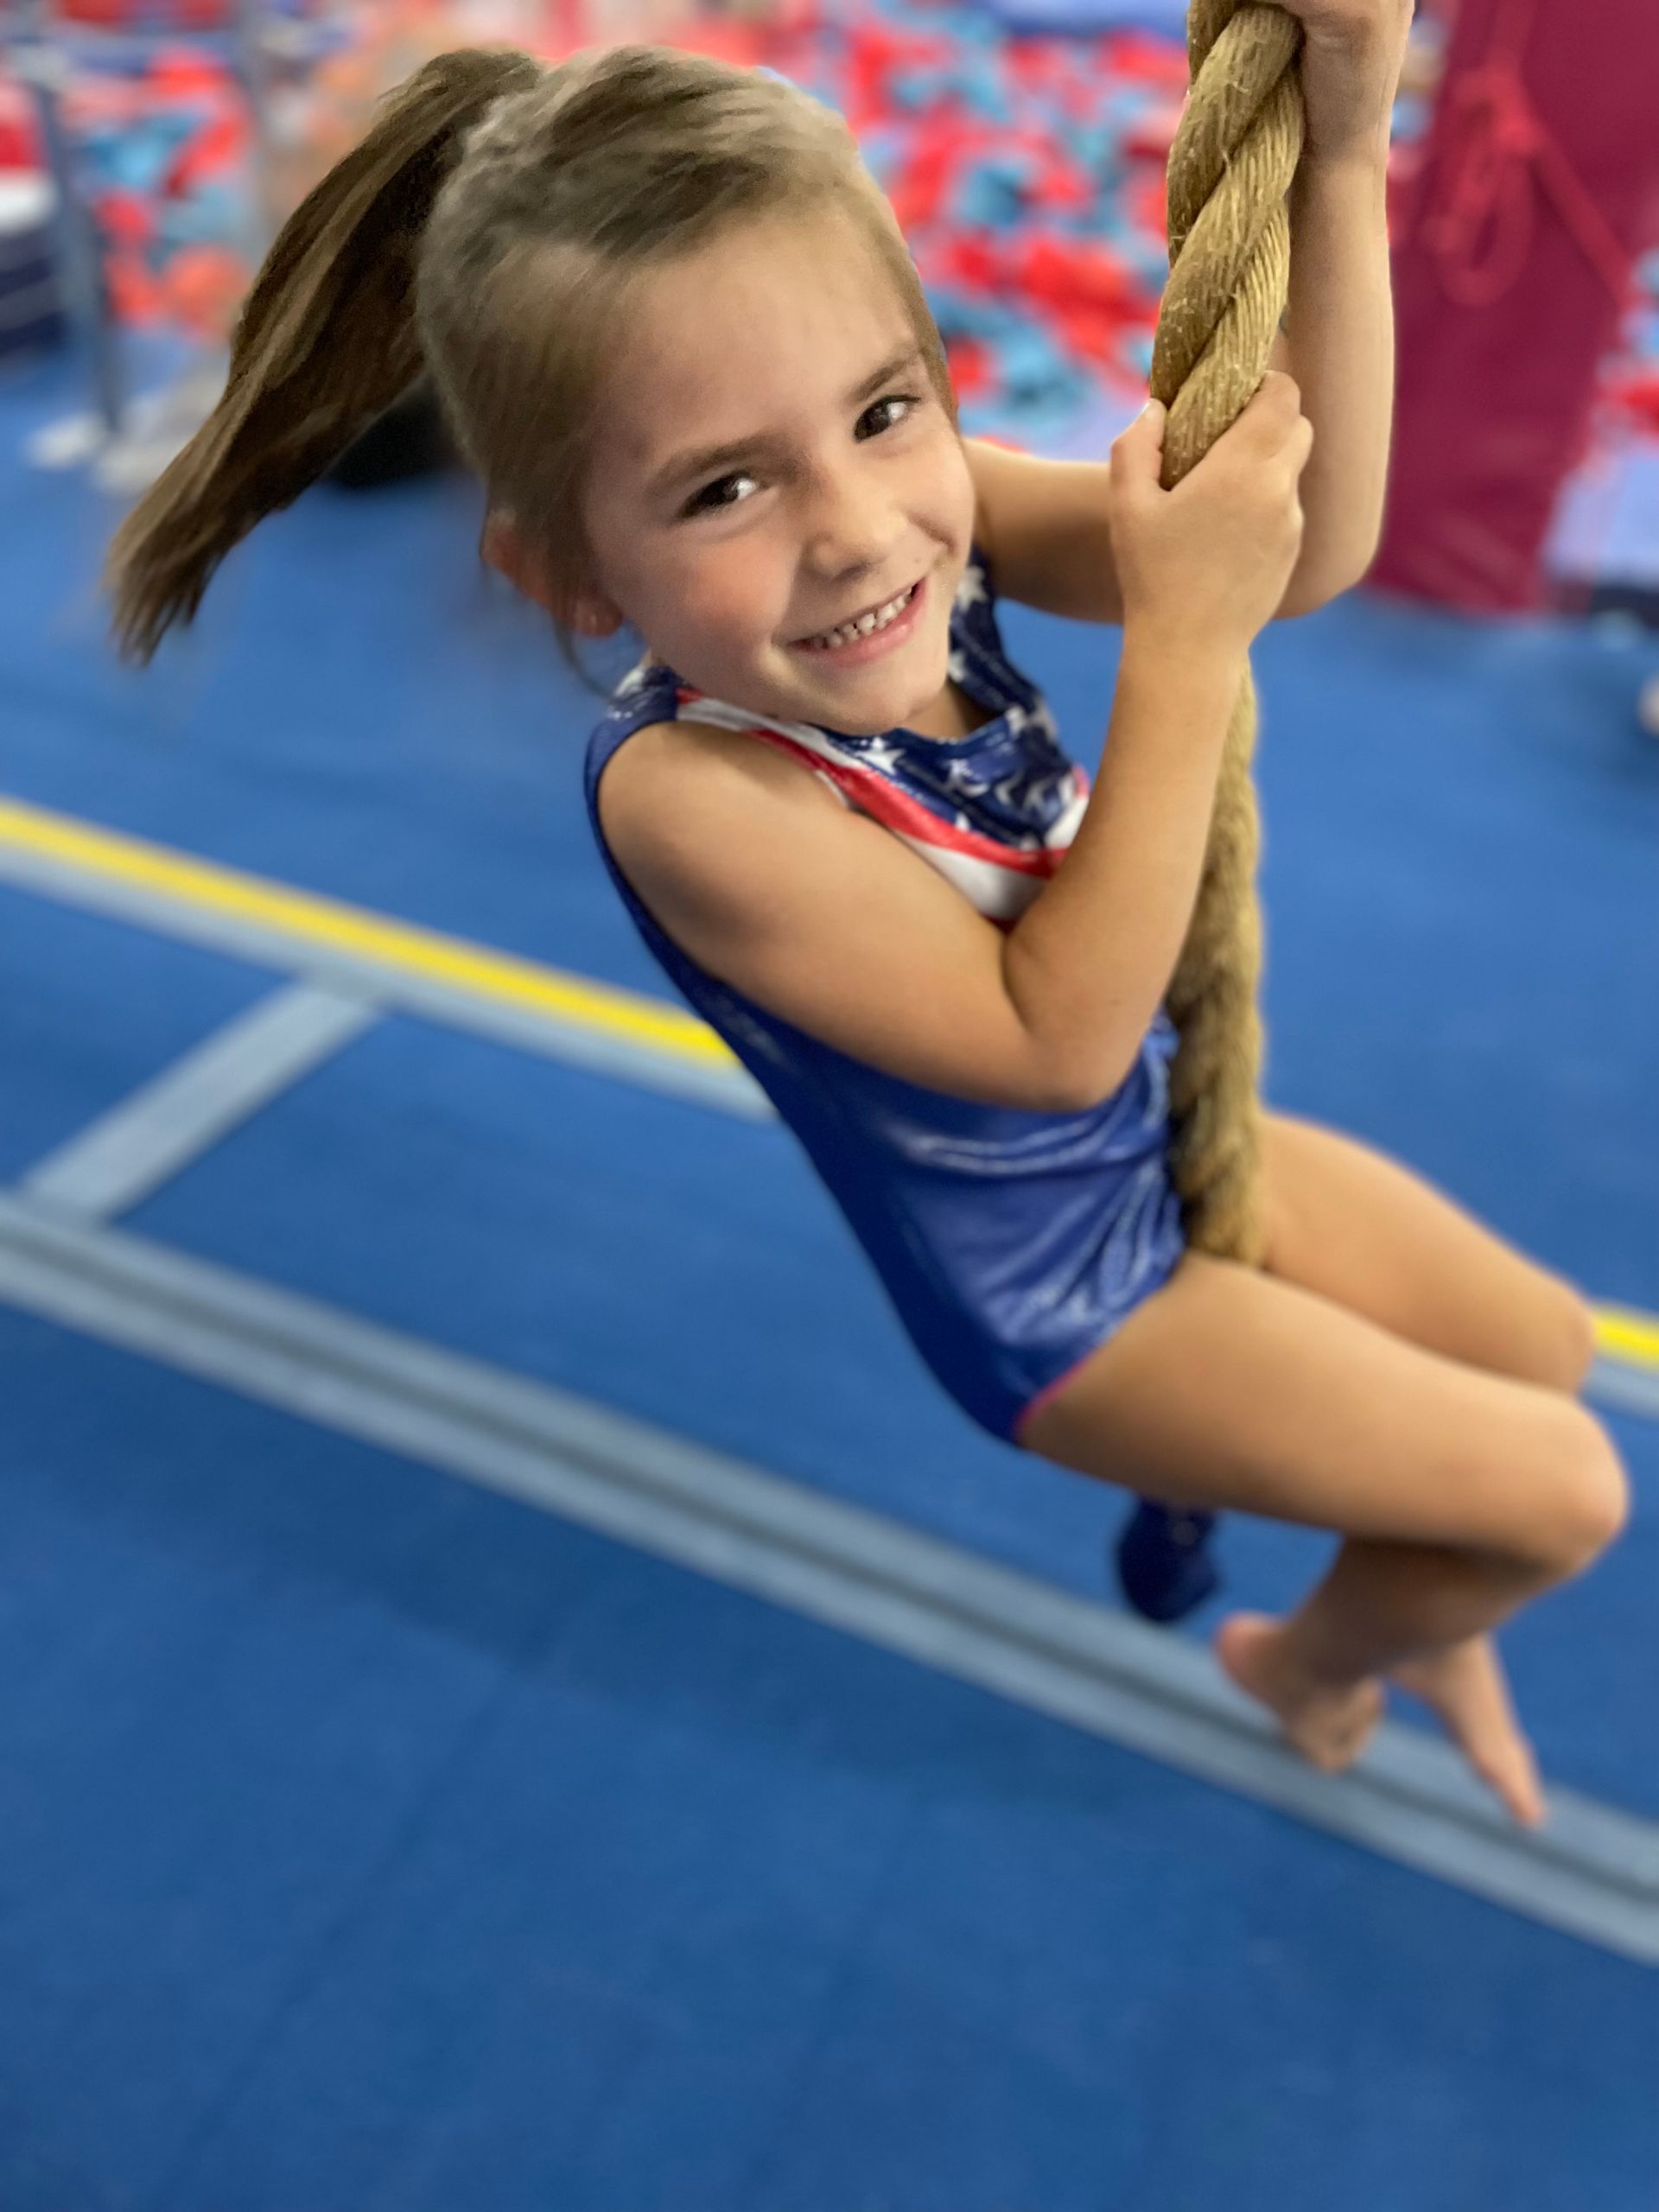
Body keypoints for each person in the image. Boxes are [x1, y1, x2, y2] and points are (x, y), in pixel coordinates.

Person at [105, 16, 1628, 1828]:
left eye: (885, 411)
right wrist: (1187, 642)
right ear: (562, 567)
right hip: (1077, 1304)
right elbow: (1054, 1041)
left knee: (1536, 1346)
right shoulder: (697, 794)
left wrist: (1351, 151)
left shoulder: (933, 525)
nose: (856, 533)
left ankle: (1411, 1583)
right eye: (723, 485)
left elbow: (1308, 553)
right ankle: (1309, 1653)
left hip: (1161, 1151)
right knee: (1562, 1491)